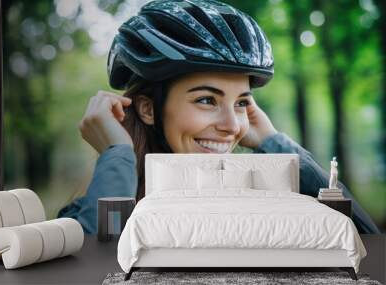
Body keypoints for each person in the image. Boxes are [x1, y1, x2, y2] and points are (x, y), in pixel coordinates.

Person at [58, 0, 380, 234]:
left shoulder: (265, 204)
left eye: (241, 103)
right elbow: (97, 262)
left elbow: (367, 244)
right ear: (148, 109)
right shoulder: (89, 211)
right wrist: (118, 154)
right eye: (207, 99)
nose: (231, 127)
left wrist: (274, 142)